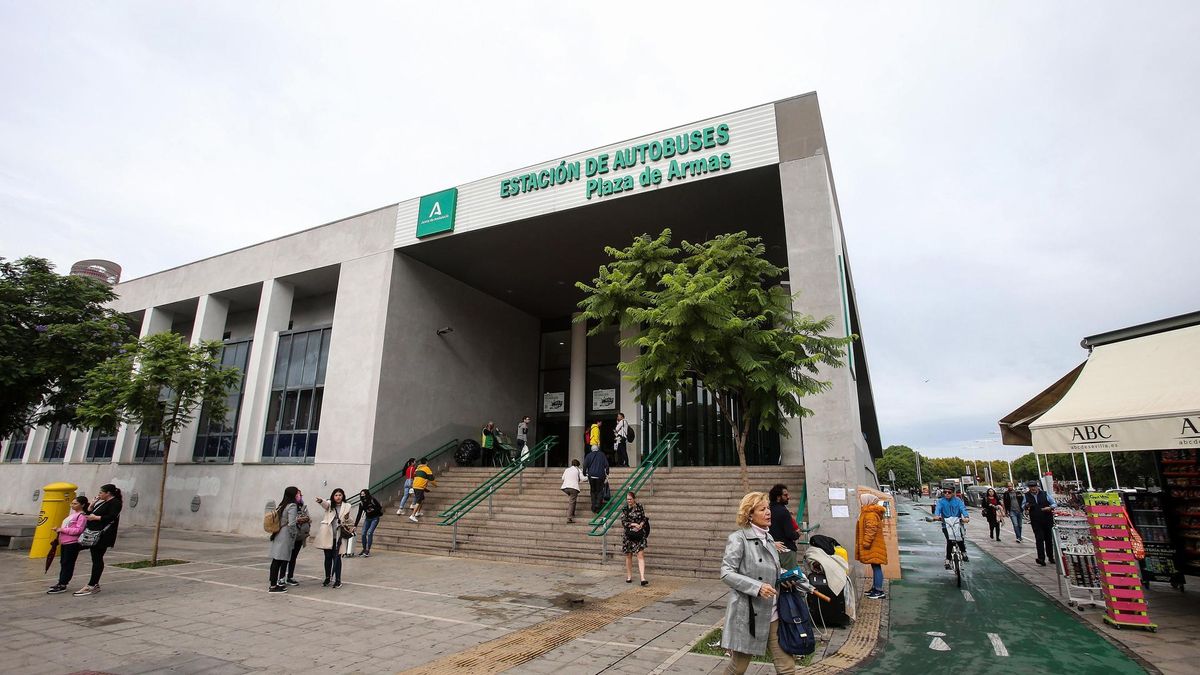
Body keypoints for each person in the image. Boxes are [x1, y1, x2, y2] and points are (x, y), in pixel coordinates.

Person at [719, 492, 794, 674]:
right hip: (748, 616)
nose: (768, 512)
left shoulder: (768, 538)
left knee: (787, 668)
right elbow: (726, 573)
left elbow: (771, 569)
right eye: (762, 509)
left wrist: (785, 578)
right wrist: (757, 587)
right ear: (749, 514)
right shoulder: (738, 538)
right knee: (738, 668)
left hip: (774, 613)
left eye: (768, 508)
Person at [74, 483, 122, 596]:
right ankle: (92, 584)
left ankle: (93, 584)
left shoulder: (115, 503)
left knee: (97, 558)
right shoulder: (102, 502)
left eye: (101, 492)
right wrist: (92, 505)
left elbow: (112, 517)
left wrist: (96, 517)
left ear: (108, 493)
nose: (99, 494)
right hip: (92, 533)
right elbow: (90, 513)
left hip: (102, 535)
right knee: (91, 555)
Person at [47, 495, 89, 594]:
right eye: (72, 503)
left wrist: (62, 530)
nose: (72, 505)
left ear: (82, 505)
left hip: (72, 543)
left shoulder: (81, 516)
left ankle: (63, 583)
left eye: (75, 503)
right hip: (65, 542)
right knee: (63, 562)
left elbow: (78, 530)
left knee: (68, 563)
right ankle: (61, 582)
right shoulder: (73, 515)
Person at [315, 488, 353, 588]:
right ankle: (327, 577)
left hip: (339, 536)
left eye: (340, 495)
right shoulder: (329, 504)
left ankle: (338, 580)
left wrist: (347, 518)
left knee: (337, 558)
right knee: (327, 558)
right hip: (328, 535)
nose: (338, 497)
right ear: (333, 496)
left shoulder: (347, 506)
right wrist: (320, 501)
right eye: (336, 495)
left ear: (343, 496)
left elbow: (349, 520)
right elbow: (325, 505)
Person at [856, 493, 888, 599]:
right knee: (875, 566)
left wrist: (866, 542)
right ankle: (875, 588)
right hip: (874, 545)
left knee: (876, 567)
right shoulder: (869, 512)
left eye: (862, 500)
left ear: (867, 501)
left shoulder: (870, 514)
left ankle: (878, 590)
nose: (860, 502)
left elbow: (871, 529)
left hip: (873, 545)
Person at [268, 486, 300, 593]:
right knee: (279, 560)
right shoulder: (292, 506)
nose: (298, 495)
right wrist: (294, 534)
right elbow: (292, 524)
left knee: (276, 560)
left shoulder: (282, 505)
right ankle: (273, 586)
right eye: (297, 493)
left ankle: (273, 582)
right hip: (285, 535)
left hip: (278, 533)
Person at [931, 486, 969, 570]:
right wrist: (936, 516)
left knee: (960, 538)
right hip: (946, 524)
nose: (947, 494)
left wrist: (966, 517)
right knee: (950, 541)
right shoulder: (941, 501)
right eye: (945, 492)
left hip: (957, 523)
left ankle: (963, 552)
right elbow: (938, 509)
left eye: (949, 492)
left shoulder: (958, 501)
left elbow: (963, 509)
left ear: (953, 493)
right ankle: (948, 559)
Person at [1024, 480, 1058, 566]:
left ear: (1037, 486)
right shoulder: (1026, 496)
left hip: (1047, 519)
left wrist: (1049, 507)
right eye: (1031, 487)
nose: (1033, 488)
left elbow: (1054, 503)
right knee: (1039, 539)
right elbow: (1023, 505)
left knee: (1048, 539)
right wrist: (1026, 506)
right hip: (1036, 520)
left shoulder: (1044, 494)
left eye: (1034, 486)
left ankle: (1050, 557)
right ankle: (1041, 558)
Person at [767, 484, 799, 570]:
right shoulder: (783, 512)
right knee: (790, 579)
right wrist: (797, 534)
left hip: (771, 550)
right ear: (778, 497)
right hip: (786, 551)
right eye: (785, 495)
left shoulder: (767, 510)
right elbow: (790, 534)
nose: (788, 497)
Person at [621, 492, 649, 585]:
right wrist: (633, 524)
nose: (628, 501)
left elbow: (644, 518)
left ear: (634, 499)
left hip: (639, 534)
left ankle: (642, 578)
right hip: (629, 535)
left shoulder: (639, 506)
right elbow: (624, 522)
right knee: (629, 555)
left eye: (630, 499)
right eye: (627, 499)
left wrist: (640, 524)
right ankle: (629, 576)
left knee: (640, 555)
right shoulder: (625, 509)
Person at [286, 490, 311, 585]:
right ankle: (281, 577)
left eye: (300, 495)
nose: (299, 496)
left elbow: (308, 517)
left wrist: (306, 519)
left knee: (293, 557)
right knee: (285, 557)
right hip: (290, 535)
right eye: (297, 494)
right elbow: (288, 520)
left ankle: (290, 576)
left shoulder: (303, 506)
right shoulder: (289, 506)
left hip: (300, 535)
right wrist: (297, 519)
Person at [355, 488, 383, 557]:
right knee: (363, 533)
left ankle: (367, 549)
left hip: (375, 518)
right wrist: (355, 525)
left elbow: (379, 507)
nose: (362, 496)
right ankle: (364, 549)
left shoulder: (372, 500)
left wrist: (372, 509)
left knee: (370, 532)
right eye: (361, 495)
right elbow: (359, 514)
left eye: (364, 494)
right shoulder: (361, 503)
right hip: (368, 519)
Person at [583, 444, 610, 514]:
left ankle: (593, 505)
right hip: (600, 475)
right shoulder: (602, 455)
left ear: (591, 449)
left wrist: (584, 473)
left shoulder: (588, 455)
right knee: (600, 490)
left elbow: (585, 465)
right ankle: (598, 505)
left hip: (591, 476)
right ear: (597, 449)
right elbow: (607, 465)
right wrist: (607, 472)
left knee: (593, 491)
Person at [409, 457, 436, 522]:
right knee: (418, 501)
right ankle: (412, 515)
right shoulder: (426, 468)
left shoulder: (417, 468)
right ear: (426, 462)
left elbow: (417, 478)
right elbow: (431, 478)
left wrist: (425, 488)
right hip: (419, 487)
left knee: (422, 499)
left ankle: (418, 512)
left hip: (415, 486)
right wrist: (435, 485)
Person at [561, 458, 584, 523]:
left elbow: (563, 478)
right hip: (573, 488)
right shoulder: (578, 470)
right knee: (572, 502)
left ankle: (572, 513)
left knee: (573, 500)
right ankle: (569, 518)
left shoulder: (567, 469)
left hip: (565, 488)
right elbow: (583, 479)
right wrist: (588, 477)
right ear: (578, 465)